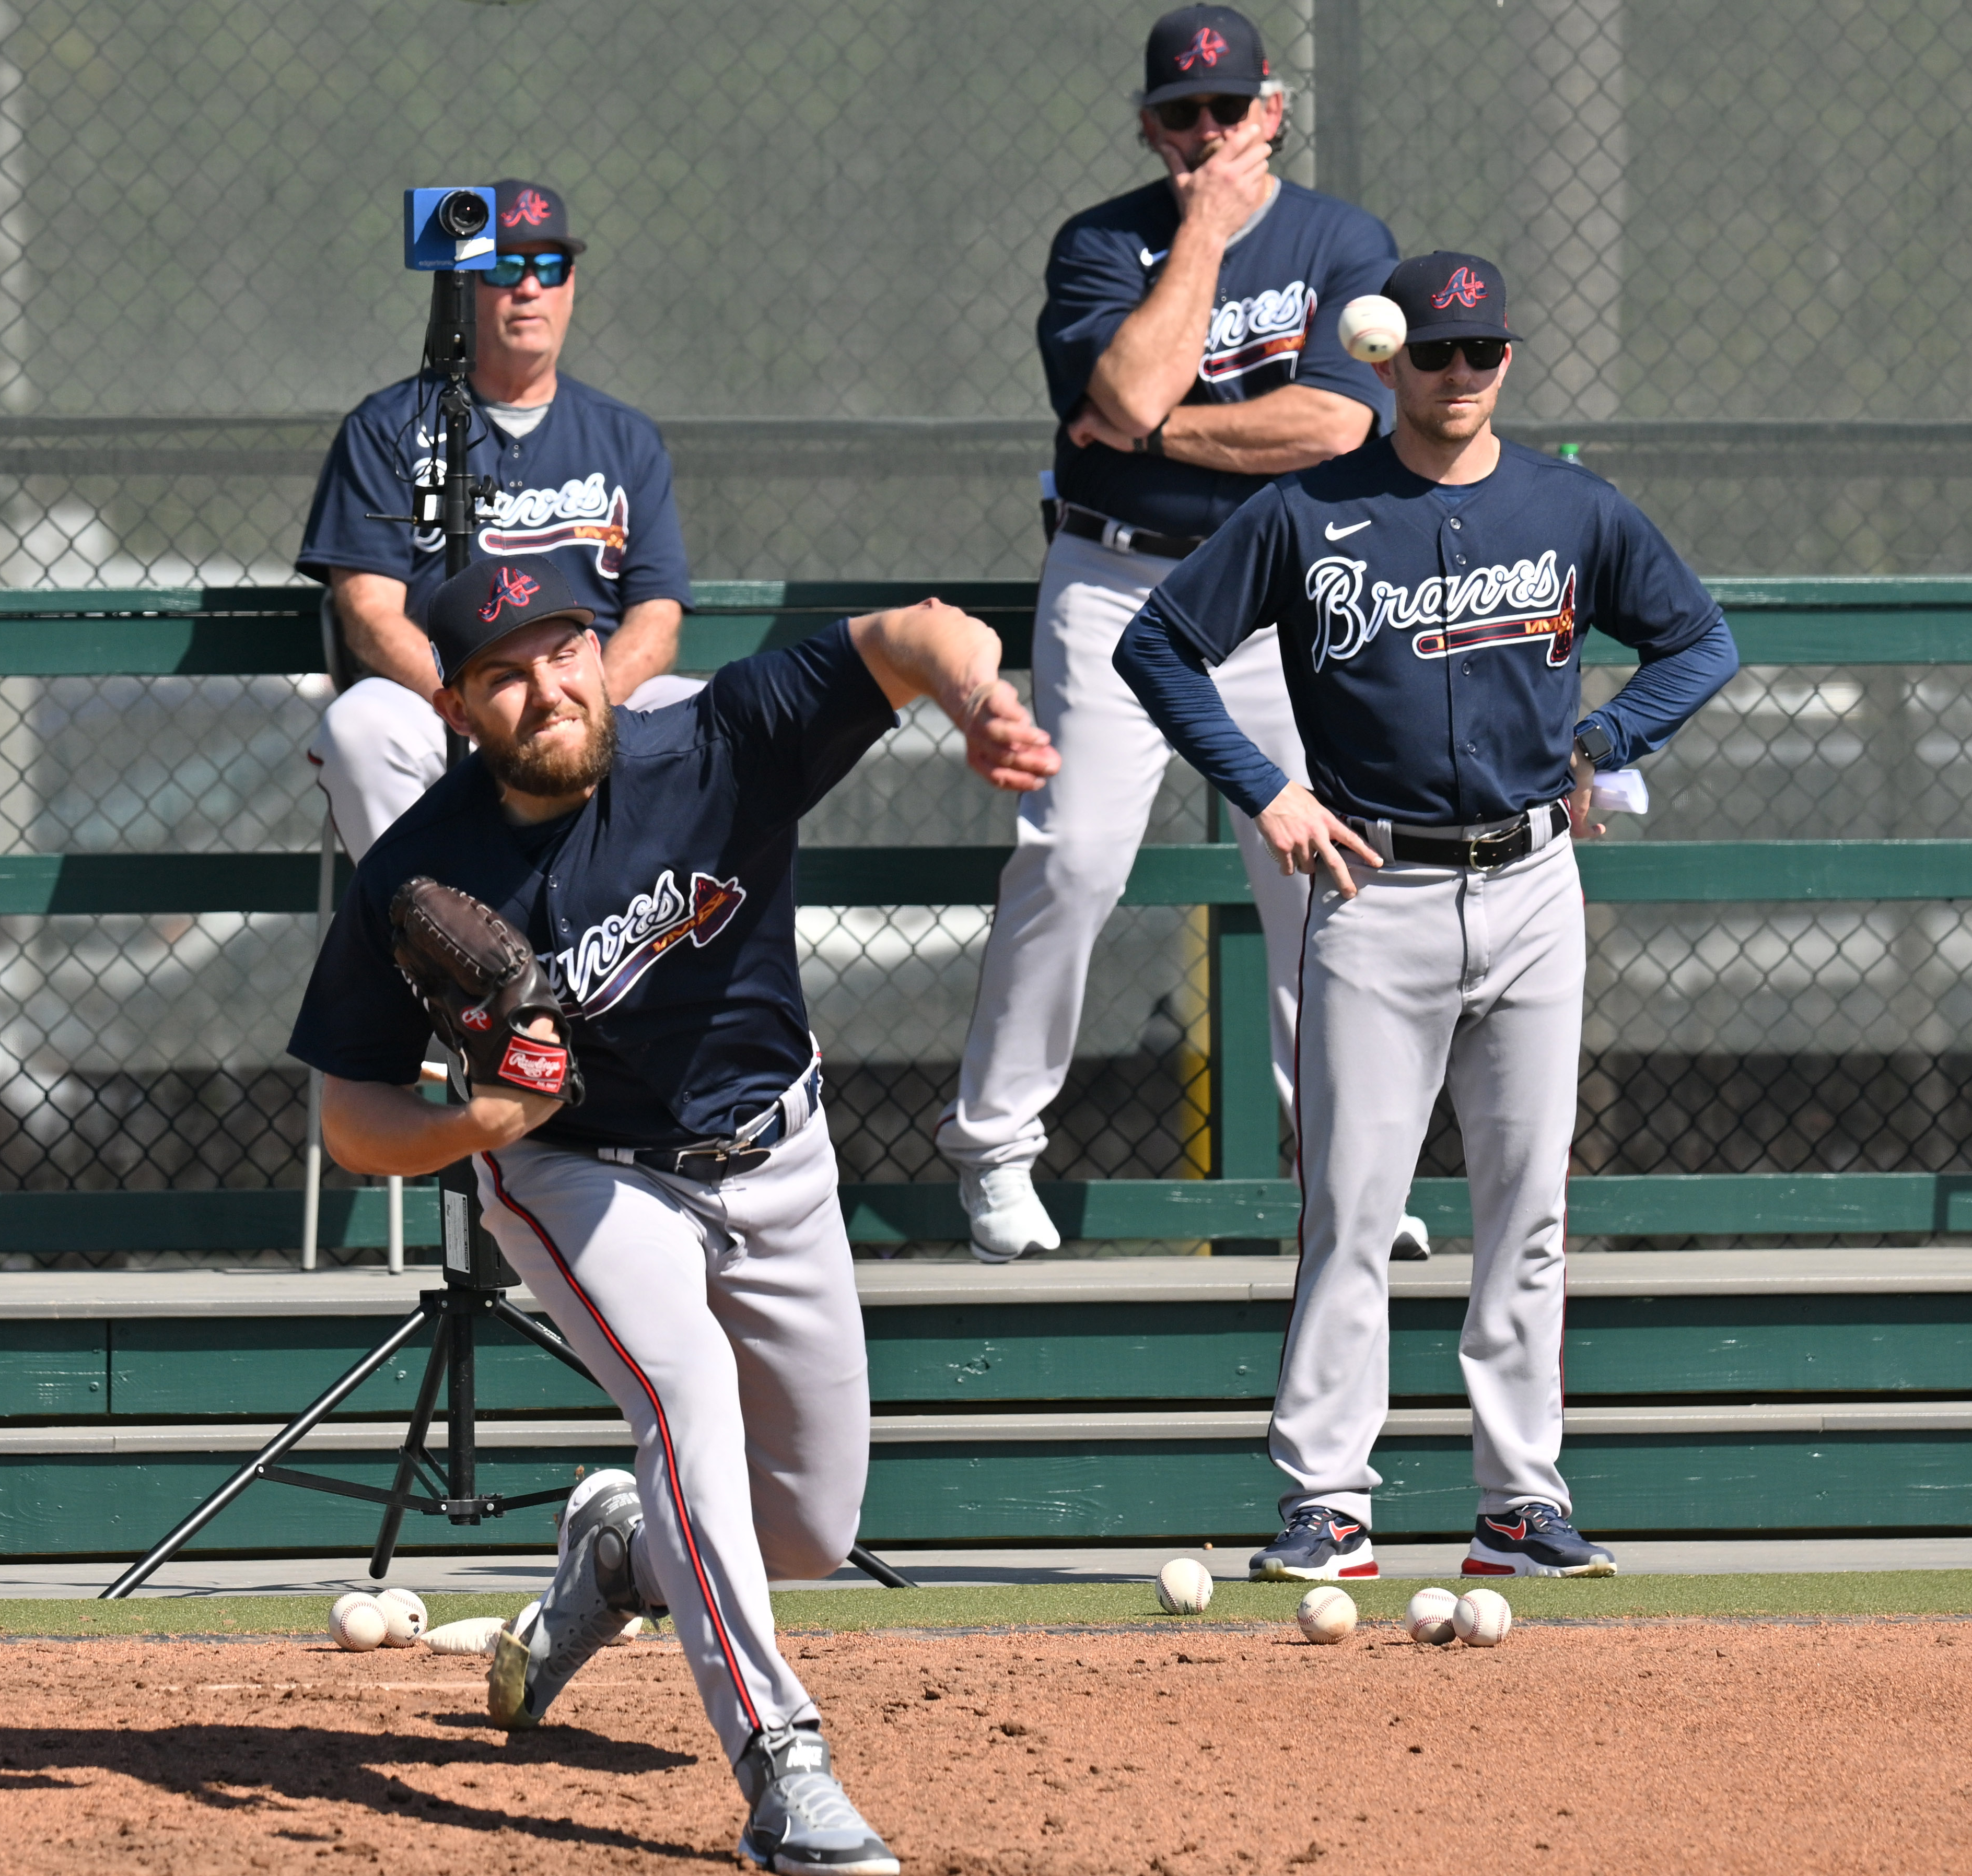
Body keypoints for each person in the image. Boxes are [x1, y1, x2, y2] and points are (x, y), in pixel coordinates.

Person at [289, 549, 1058, 1872]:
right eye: (503, 674)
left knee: (809, 1529)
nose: (546, 688)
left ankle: (620, 1555)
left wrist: (976, 697)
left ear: (602, 654)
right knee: (683, 1394)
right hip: (580, 1170)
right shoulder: (421, 871)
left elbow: (917, 629)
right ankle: (783, 1767)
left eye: (563, 651)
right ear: (458, 708)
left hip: (777, 1149)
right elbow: (347, 1114)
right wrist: (474, 1128)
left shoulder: (717, 739)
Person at [1111, 252, 1740, 1580]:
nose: (1459, 374)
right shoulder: (1307, 511)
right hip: (1373, 887)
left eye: (1481, 352)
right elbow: (1154, 643)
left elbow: (1699, 640)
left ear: (1505, 360)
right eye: (1436, 352)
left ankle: (1519, 1501)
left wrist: (1609, 733)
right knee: (1348, 1207)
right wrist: (1265, 789)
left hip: (1527, 887)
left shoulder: (1568, 506)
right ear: (1387, 360)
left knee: (1528, 1205)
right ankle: (1327, 1501)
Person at [939, 4, 1409, 1262]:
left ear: (1271, 109)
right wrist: (1198, 237)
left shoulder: (1340, 239)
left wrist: (1147, 434)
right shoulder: (1101, 243)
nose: (1204, 132)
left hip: (1281, 586)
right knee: (1076, 855)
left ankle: (1347, 1172)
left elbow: (1335, 428)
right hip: (1115, 577)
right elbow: (1136, 376)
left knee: (1322, 868)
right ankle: (992, 1148)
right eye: (1178, 112)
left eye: (1226, 107)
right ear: (1147, 124)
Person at [297, 179, 696, 860]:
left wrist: (579, 705)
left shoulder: (625, 437)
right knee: (361, 728)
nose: (529, 287)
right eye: (505, 266)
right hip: (445, 700)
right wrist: (472, 705)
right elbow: (367, 611)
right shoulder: (389, 427)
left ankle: (644, 949)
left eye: (550, 266)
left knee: (705, 721)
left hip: (588, 697)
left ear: (571, 286)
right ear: (464, 287)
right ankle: (434, 945)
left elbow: (656, 618)